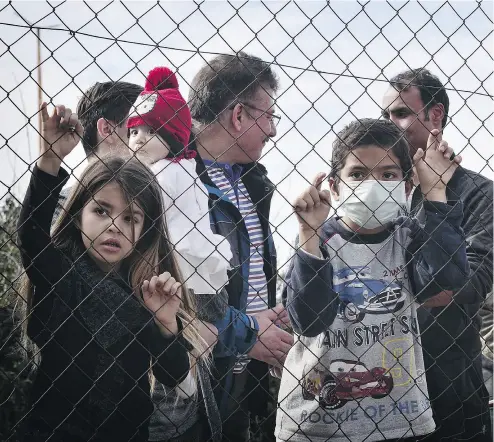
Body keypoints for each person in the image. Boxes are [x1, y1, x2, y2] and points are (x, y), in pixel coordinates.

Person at [17, 103, 206, 442]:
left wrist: (165, 323)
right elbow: (31, 235)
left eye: (131, 218)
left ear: (144, 231)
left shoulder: (144, 293)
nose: (115, 227)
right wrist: (49, 160)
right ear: (78, 215)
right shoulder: (61, 275)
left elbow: (172, 372)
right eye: (102, 211)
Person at [276, 118, 470, 442]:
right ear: (334, 186)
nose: (373, 184)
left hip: (402, 421)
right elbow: (307, 321)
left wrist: (435, 190)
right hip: (316, 426)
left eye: (388, 174)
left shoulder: (408, 237)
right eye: (357, 174)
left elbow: (447, 275)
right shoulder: (317, 242)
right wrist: (308, 236)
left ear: (408, 186)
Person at [188, 52, 294, 441]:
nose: (273, 130)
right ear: (238, 115)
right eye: (269, 117)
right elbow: (184, 299)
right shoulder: (173, 181)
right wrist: (250, 332)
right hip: (190, 389)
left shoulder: (251, 183)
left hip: (239, 384)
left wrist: (264, 317)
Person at [382, 68, 493, 440]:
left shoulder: (480, 194)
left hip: (448, 389)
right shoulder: (379, 195)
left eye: (400, 113)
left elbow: (462, 288)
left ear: (435, 116)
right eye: (385, 116)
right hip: (379, 388)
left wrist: (436, 198)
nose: (390, 124)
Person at [126, 66, 233, 442]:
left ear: (172, 136)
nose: (138, 139)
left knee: (180, 352)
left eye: (150, 131)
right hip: (200, 275)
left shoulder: (161, 176)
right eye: (134, 130)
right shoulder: (184, 170)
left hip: (184, 274)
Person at [55, 80, 143, 212]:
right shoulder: (62, 209)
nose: (154, 137)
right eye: (140, 126)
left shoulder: (160, 197)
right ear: (107, 129)